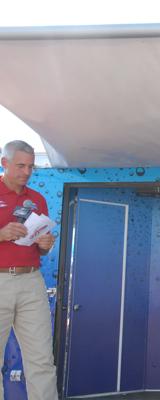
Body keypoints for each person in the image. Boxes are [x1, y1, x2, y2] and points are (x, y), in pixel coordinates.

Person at [0, 140, 59, 400]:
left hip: (32, 281)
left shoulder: (37, 199)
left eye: (31, 166)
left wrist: (46, 245)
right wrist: (1, 234)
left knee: (42, 360)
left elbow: (41, 246)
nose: (27, 172)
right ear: (4, 163)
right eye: (21, 165)